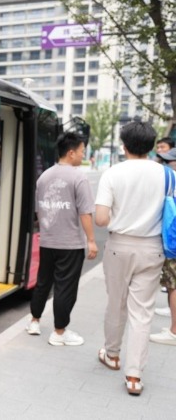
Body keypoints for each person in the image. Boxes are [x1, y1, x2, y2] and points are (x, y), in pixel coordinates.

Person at [95, 121, 165, 396]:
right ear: (152, 146)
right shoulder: (168, 176)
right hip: (153, 247)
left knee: (116, 303)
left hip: (119, 246)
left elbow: (101, 219)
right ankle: (134, 376)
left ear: (124, 146)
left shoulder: (113, 173)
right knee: (142, 312)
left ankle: (112, 355)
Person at [25, 132, 98, 345]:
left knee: (43, 282)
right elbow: (85, 212)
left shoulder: (44, 176)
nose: (83, 155)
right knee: (65, 288)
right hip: (70, 244)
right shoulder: (78, 177)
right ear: (71, 152)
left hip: (47, 241)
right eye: (82, 151)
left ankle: (34, 321)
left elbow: (39, 210)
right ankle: (59, 332)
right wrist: (91, 240)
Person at [149, 147, 176, 342]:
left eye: (169, 161)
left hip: (173, 243)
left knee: (173, 285)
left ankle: (174, 331)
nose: (166, 164)